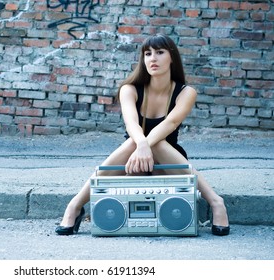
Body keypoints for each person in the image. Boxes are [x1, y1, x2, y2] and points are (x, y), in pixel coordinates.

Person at [55, 33, 230, 236]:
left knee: (158, 143)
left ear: (172, 57)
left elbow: (171, 123)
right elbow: (131, 123)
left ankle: (217, 203)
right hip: (133, 163)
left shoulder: (186, 92)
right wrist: (141, 146)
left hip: (168, 163)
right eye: (147, 54)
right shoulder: (130, 89)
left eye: (159, 52)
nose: (152, 58)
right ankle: (75, 206)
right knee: (132, 142)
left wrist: (146, 145)